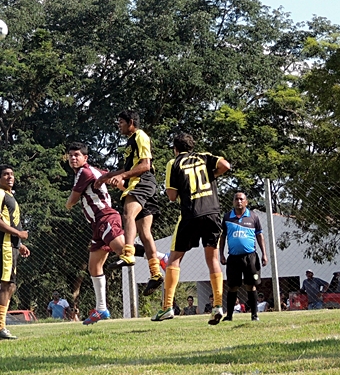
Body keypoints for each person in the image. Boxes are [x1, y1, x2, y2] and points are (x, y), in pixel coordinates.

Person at [65, 143, 166, 325]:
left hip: (105, 217)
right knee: (94, 266)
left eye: (77, 155)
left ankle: (160, 257)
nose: (73, 158)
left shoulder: (84, 173)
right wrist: (122, 186)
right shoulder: (96, 171)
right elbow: (117, 181)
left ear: (85, 158)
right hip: (98, 223)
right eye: (71, 155)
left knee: (122, 250)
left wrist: (68, 204)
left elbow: (72, 200)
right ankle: (101, 309)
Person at [152, 133, 231, 324]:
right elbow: (226, 166)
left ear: (175, 148)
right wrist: (214, 175)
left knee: (174, 259)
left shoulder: (174, 162)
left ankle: (167, 307)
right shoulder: (204, 157)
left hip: (190, 213)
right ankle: (218, 305)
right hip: (212, 212)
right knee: (212, 258)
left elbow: (171, 196)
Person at [93, 110, 164, 296]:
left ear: (131, 122)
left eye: (121, 122)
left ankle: (128, 253)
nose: (119, 126)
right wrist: (108, 176)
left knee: (128, 213)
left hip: (143, 181)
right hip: (144, 183)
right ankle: (155, 273)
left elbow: (145, 165)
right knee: (145, 232)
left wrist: (123, 176)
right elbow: (128, 167)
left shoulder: (140, 136)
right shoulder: (130, 142)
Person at [0, 164, 30, 340]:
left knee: (11, 285)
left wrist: (19, 243)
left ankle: (1, 326)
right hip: (4, 244)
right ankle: (0, 327)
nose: (10, 177)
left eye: (12, 174)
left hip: (11, 245)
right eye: (5, 174)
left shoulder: (10, 196)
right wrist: (18, 234)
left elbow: (10, 220)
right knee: (7, 285)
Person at [219, 192, 268, 322]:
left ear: (246, 202)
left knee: (251, 285)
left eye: (241, 199)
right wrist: (221, 254)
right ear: (233, 202)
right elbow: (222, 236)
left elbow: (259, 235)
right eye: (236, 199)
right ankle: (229, 316)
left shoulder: (253, 217)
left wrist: (264, 254)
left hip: (250, 257)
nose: (239, 201)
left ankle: (254, 315)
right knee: (232, 286)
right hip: (233, 258)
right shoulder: (227, 217)